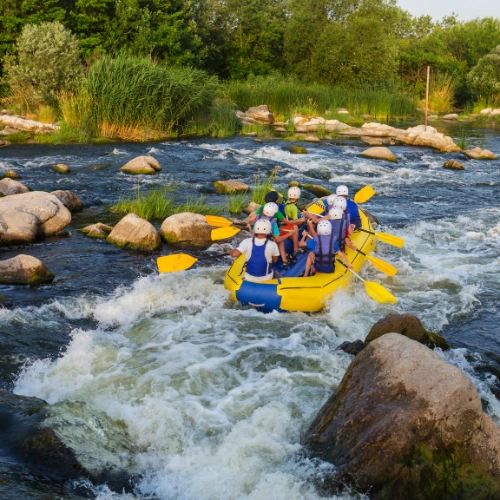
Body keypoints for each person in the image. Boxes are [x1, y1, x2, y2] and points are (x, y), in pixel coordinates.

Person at [282, 186, 306, 255]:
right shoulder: (294, 208)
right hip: (290, 227)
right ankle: (297, 248)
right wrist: (302, 221)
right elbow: (296, 222)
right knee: (300, 226)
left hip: (284, 225)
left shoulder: (285, 203)